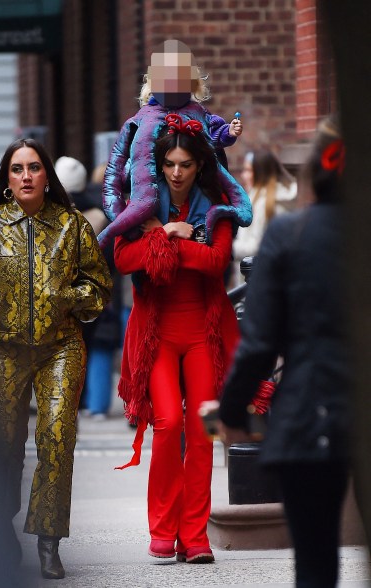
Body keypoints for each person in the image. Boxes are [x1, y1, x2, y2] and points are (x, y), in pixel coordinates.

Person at [218, 116, 351, 587]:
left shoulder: (291, 235)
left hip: (311, 413)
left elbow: (259, 341)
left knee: (315, 566)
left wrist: (232, 409)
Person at [113, 113, 251, 564]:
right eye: (169, 163)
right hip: (157, 332)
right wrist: (175, 236)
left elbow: (216, 262)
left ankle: (195, 536)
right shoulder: (142, 207)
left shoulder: (217, 207)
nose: (176, 172)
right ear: (159, 165)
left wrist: (170, 238)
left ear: (199, 167)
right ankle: (162, 528)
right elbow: (124, 257)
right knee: (169, 422)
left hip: (204, 334)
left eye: (185, 164)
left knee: (204, 431)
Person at [0, 139, 112, 580]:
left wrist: (68, 296)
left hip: (61, 345)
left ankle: (49, 542)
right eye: (17, 169)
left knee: (58, 437)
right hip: (2, 347)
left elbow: (99, 287)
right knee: (3, 446)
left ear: (47, 175)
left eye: (34, 167)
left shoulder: (72, 226)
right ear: (7, 179)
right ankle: (0, 530)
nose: (26, 176)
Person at [98, 39, 249, 249]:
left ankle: (196, 230)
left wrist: (228, 133)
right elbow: (117, 168)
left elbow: (213, 135)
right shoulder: (141, 119)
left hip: (194, 198)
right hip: (157, 204)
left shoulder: (198, 114)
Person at [231, 148, 297, 284]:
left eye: (249, 170)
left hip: (260, 280)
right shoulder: (260, 199)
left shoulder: (264, 204)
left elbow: (257, 246)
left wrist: (226, 248)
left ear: (261, 172)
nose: (244, 175)